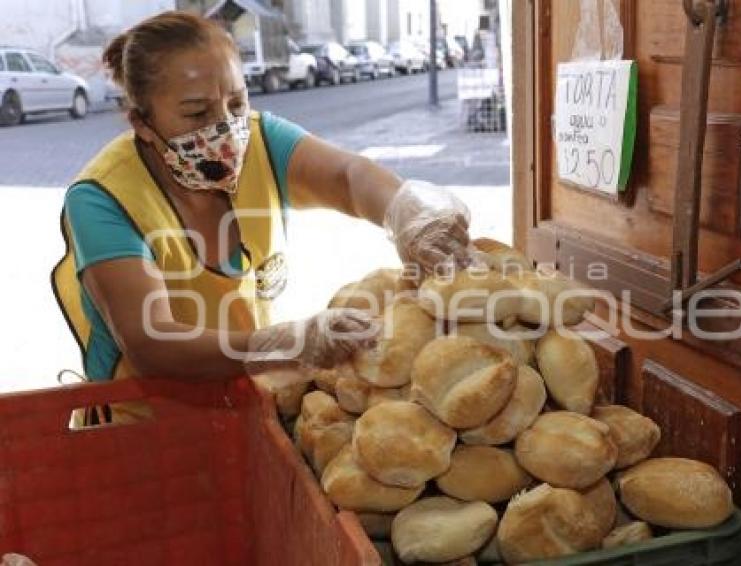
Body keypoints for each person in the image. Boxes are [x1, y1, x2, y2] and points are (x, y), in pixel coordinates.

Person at [51, 11, 471, 424]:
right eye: (196, 114)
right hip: (144, 434)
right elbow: (150, 343)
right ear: (142, 123)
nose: (224, 128)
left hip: (246, 408)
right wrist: (287, 343)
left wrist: (407, 212)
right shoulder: (103, 198)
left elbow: (348, 178)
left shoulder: (260, 141)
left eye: (236, 102)